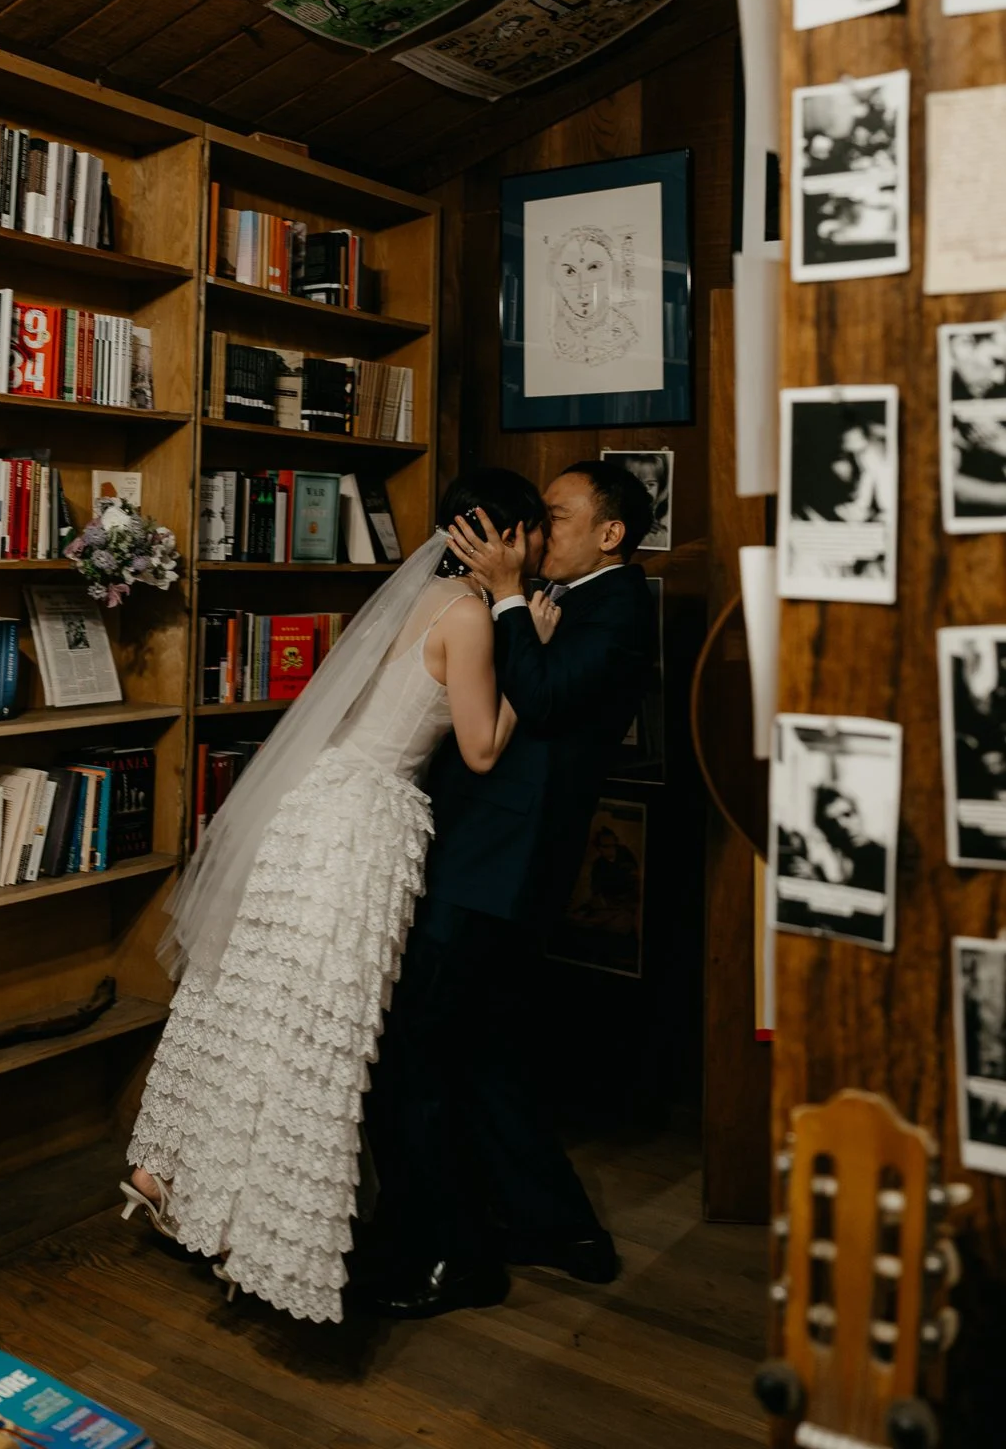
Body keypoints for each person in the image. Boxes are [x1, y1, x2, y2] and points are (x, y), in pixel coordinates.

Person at [119, 467, 549, 1324]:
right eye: (533, 531)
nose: (540, 549)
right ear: (502, 538)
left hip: (310, 807)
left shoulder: (410, 598)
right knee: (317, 1030)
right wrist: (525, 638)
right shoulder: (467, 616)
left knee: (251, 1004)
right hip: (365, 827)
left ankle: (177, 1175)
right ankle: (260, 1233)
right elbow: (481, 748)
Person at [357, 459, 656, 1320]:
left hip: (500, 866)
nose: (528, 533)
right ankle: (555, 1227)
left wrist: (507, 601)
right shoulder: (541, 602)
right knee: (481, 1055)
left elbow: (550, 695)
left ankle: (449, 1255)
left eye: (551, 517)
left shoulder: (620, 606)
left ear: (608, 534)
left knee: (414, 1051)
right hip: (472, 852)